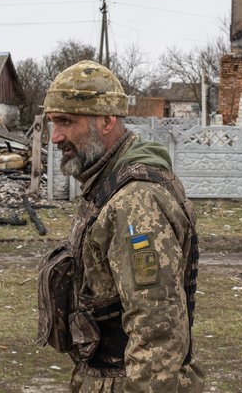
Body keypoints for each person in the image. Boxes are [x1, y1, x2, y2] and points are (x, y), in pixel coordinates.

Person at [36, 60, 204, 393]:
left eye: (66, 122)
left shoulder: (135, 201)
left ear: (107, 121)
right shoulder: (108, 185)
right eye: (53, 123)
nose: (55, 137)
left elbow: (156, 325)